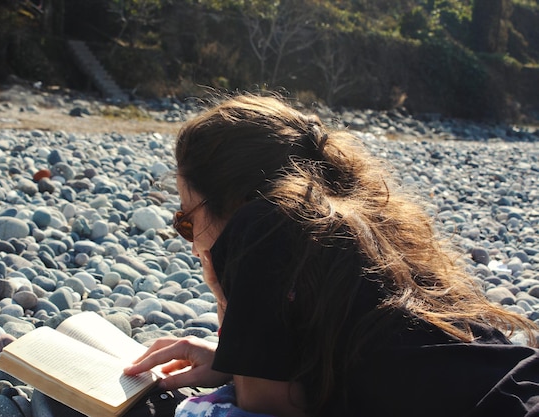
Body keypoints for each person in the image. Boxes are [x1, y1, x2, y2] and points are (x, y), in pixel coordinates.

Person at [124, 94, 539, 417]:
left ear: (234, 202)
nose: (193, 242)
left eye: (187, 220)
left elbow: (265, 410)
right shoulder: (345, 230)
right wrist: (236, 361)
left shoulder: (262, 225)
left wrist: (220, 286)